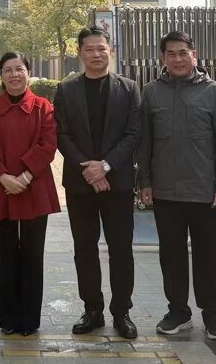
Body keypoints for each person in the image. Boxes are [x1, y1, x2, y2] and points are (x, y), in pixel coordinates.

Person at [138, 31, 216, 341]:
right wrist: (145, 182)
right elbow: (144, 143)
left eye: (183, 53)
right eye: (171, 53)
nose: (178, 59)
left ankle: (213, 317)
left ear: (194, 55)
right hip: (165, 190)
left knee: (207, 255)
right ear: (162, 58)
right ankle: (178, 312)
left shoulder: (214, 92)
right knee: (171, 255)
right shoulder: (151, 93)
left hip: (204, 190)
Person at [54, 26, 141, 338]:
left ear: (110, 51)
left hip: (118, 183)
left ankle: (122, 312)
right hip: (80, 184)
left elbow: (133, 133)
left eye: (101, 48)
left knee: (121, 249)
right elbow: (61, 134)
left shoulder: (129, 88)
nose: (96, 54)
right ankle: (92, 310)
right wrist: (89, 169)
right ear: (79, 53)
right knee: (85, 249)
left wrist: (104, 166)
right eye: (89, 49)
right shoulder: (66, 89)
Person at [0, 52, 60, 337]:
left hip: (33, 186)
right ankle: (9, 318)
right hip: (1, 188)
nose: (14, 75)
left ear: (28, 73)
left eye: (19, 69)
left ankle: (29, 320)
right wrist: (2, 176)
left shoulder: (43, 106)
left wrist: (24, 176)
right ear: (0, 75)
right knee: (6, 254)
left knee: (33, 256)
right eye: (8, 70)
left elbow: (48, 144)